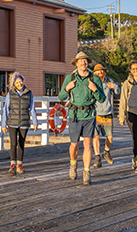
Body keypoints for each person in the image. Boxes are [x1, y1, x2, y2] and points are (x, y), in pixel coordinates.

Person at [59, 52, 105, 186]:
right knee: (74, 145)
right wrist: (67, 88)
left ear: (87, 62)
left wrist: (95, 89)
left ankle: (86, 173)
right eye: (80, 61)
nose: (83, 63)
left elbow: (102, 99)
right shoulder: (70, 78)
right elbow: (61, 97)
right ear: (76, 63)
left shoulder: (94, 78)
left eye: (85, 61)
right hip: (75, 115)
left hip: (89, 115)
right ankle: (73, 163)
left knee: (87, 144)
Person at [1, 72, 38, 175]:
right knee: (13, 143)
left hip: (24, 122)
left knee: (21, 143)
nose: (19, 84)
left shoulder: (29, 93)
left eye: (20, 82)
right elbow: (6, 109)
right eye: (17, 82)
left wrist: (35, 122)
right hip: (12, 122)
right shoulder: (10, 93)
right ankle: (12, 165)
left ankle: (19, 165)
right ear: (14, 83)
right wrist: (3, 124)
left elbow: (32, 108)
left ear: (23, 82)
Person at [92, 64, 120, 168]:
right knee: (96, 136)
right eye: (98, 71)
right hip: (95, 113)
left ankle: (106, 152)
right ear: (94, 73)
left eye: (102, 71)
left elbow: (118, 92)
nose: (100, 73)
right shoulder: (92, 82)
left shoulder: (109, 81)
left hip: (107, 112)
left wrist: (115, 87)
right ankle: (97, 156)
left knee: (110, 136)